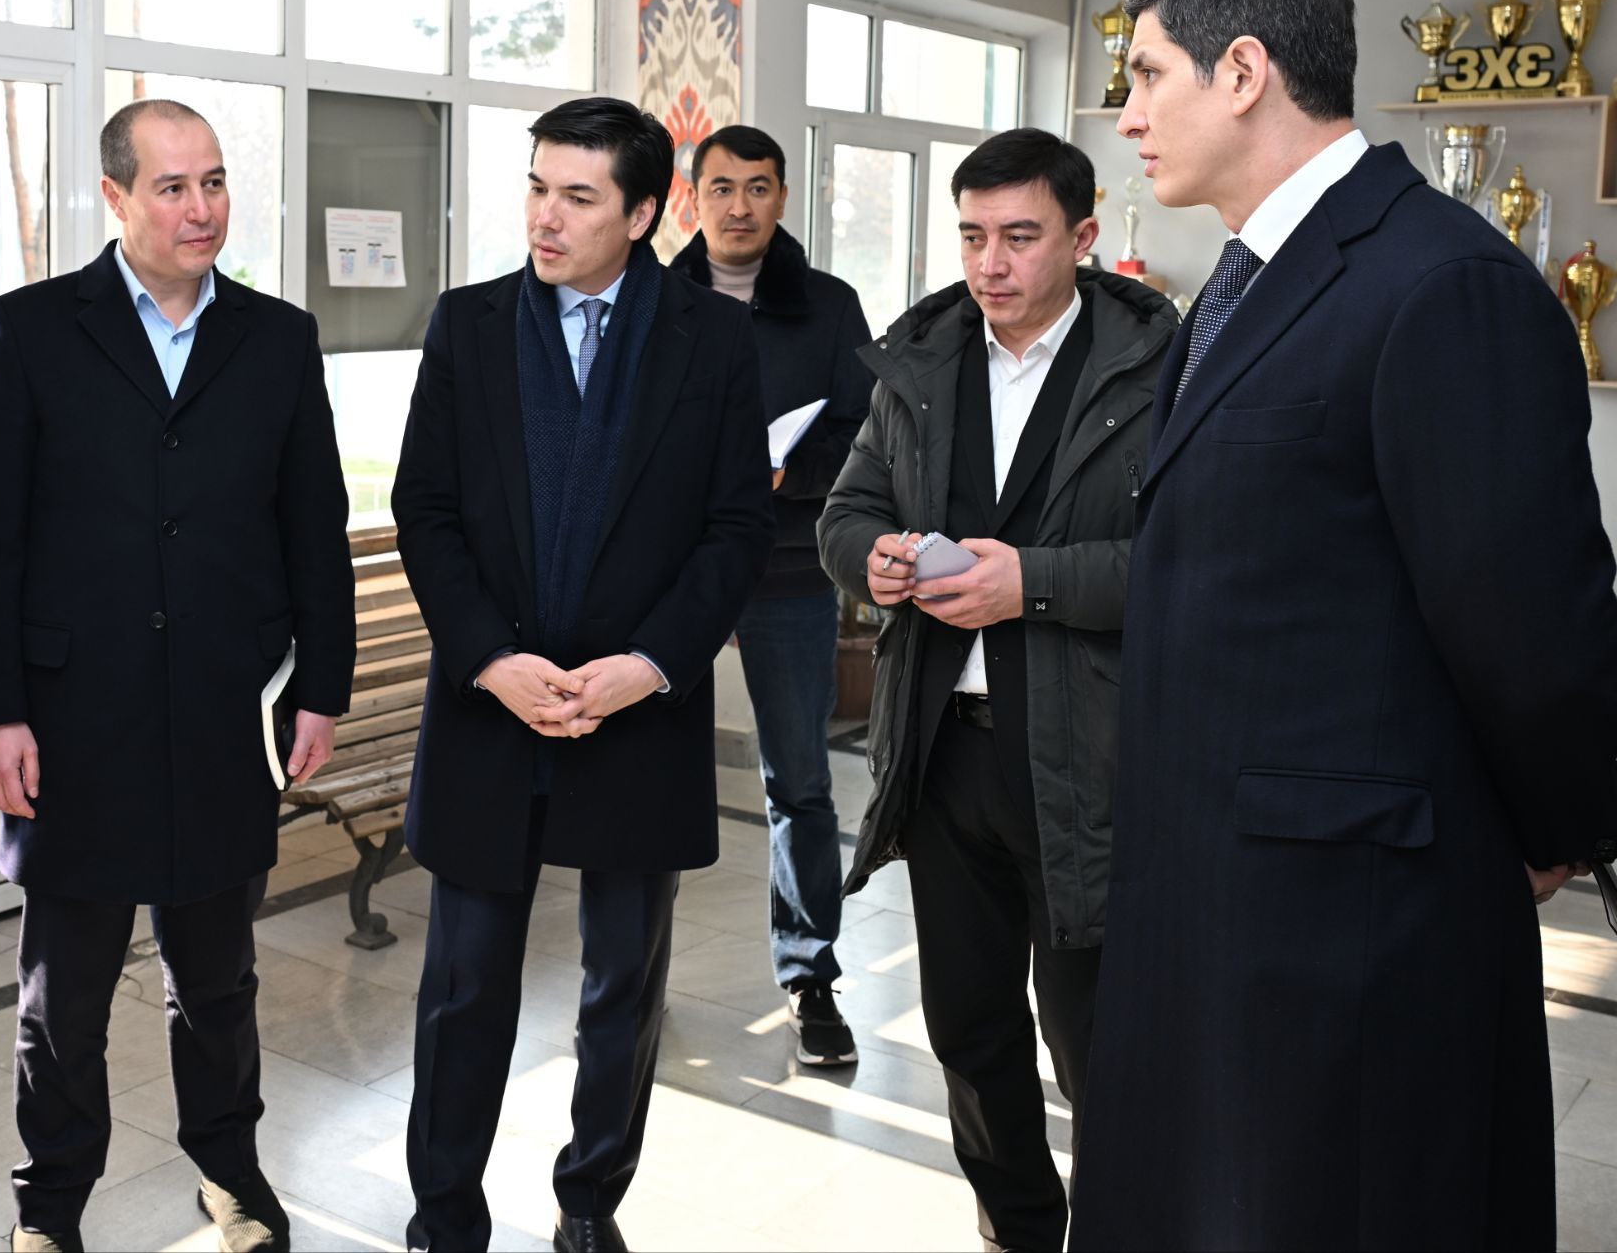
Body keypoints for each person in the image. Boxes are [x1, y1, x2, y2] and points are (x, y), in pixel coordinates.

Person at [1068, 0, 1617, 1250]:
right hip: (1214, 885)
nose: (1127, 115)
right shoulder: (1245, 279)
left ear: (1244, 71)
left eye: (1145, 75)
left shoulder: (1439, 282)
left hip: (1348, 916)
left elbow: (1528, 620)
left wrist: (1562, 818)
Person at [0, 98, 356, 1253]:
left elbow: (312, 527)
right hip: (72, 722)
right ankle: (49, 1208)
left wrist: (321, 687)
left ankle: (231, 1175)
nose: (201, 208)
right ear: (115, 197)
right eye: (172, 186)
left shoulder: (277, 339)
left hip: (226, 716)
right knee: (64, 997)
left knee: (218, 980)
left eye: (214, 181)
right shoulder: (31, 330)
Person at [395, 96, 773, 1253]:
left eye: (576, 196)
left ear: (644, 213)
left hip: (638, 715)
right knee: (465, 986)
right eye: (535, 188)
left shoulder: (713, 341)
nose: (543, 219)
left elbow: (734, 531)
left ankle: (588, 1204)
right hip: (490, 709)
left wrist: (648, 666)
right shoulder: (467, 325)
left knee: (621, 987)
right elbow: (427, 510)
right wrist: (487, 660)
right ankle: (443, 1215)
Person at [818, 129, 1174, 1252]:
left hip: (1091, 758)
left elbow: (1191, 565)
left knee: (1095, 1044)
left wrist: (1034, 583)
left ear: (1084, 236)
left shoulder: (1159, 369)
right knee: (968, 1032)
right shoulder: (921, 362)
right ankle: (1017, 1230)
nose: (990, 263)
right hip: (942, 753)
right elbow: (845, 512)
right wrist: (872, 560)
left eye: (1020, 236)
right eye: (972, 236)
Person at [662, 124, 871, 1066]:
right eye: (721, 187)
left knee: (801, 780)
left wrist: (798, 469)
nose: (739, 205)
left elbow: (866, 429)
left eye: (758, 187)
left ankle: (810, 974)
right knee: (649, 774)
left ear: (783, 196)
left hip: (789, 567)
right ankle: (631, 968)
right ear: (691, 198)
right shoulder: (654, 298)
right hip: (674, 570)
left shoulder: (829, 305)